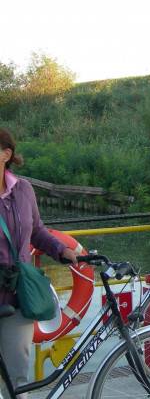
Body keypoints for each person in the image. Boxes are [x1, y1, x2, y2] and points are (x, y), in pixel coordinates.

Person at [0, 128, 78, 398]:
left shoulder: (23, 190)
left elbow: (37, 231)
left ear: (5, 154)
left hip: (17, 295)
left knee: (18, 376)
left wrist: (60, 250)